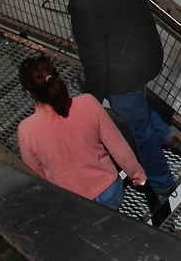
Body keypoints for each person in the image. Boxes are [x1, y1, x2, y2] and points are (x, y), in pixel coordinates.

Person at [44, 0, 177, 215]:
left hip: (125, 73)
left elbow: (95, 59)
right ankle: (165, 134)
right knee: (138, 111)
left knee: (137, 128)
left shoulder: (82, 2)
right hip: (149, 53)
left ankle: (161, 181)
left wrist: (92, 98)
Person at [16, 55, 146, 210]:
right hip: (110, 191)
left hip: (72, 204)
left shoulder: (26, 130)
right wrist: (137, 175)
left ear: (29, 93)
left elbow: (37, 175)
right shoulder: (88, 102)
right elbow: (118, 146)